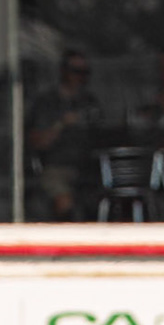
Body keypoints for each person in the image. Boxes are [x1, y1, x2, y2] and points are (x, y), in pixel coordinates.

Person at [27, 51, 104, 221]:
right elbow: (37, 142)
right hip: (56, 167)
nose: (81, 77)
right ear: (64, 72)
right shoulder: (47, 103)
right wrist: (62, 124)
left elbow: (102, 135)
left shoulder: (89, 102)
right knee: (64, 203)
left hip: (89, 168)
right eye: (76, 71)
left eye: (85, 72)